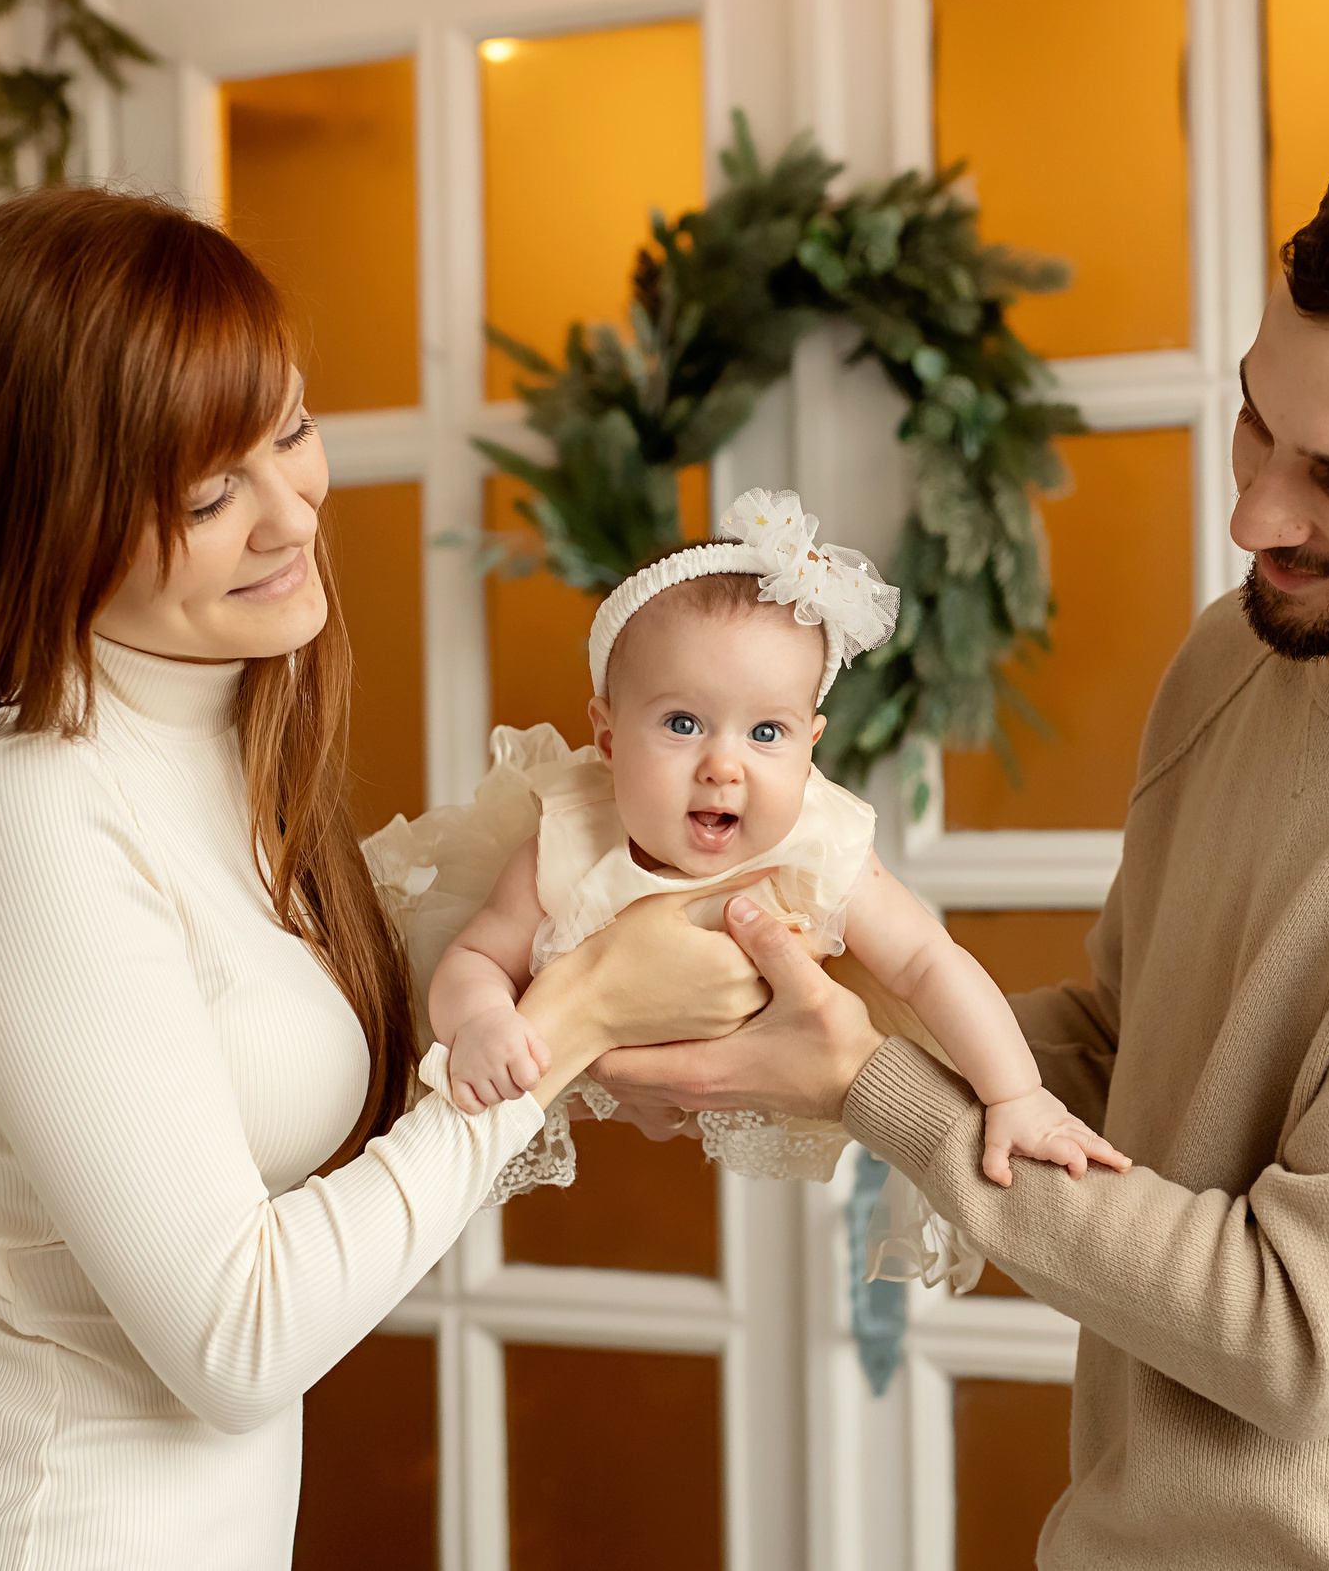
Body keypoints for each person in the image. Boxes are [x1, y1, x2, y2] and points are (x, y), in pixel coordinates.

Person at [597, 124, 1329, 1570]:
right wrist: (753, 1027)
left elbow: (1294, 1332)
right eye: (1257, 421)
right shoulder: (1240, 652)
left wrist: (864, 1082)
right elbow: (1127, 1054)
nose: (1256, 513)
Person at [0, 188, 766, 1570]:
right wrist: (573, 1018)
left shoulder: (216, 748)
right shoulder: (24, 814)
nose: (291, 513)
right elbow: (237, 1338)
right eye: (208, 493)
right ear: (45, 519)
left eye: (289, 431)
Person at [366, 489, 1125, 1250]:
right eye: (683, 723)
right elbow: (474, 956)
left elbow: (929, 961)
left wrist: (1017, 1094)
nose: (723, 766)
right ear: (608, 736)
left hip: (769, 1064)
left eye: (766, 732)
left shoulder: (819, 841)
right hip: (591, 1061)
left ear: (811, 745)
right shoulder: (568, 837)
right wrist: (483, 1018)